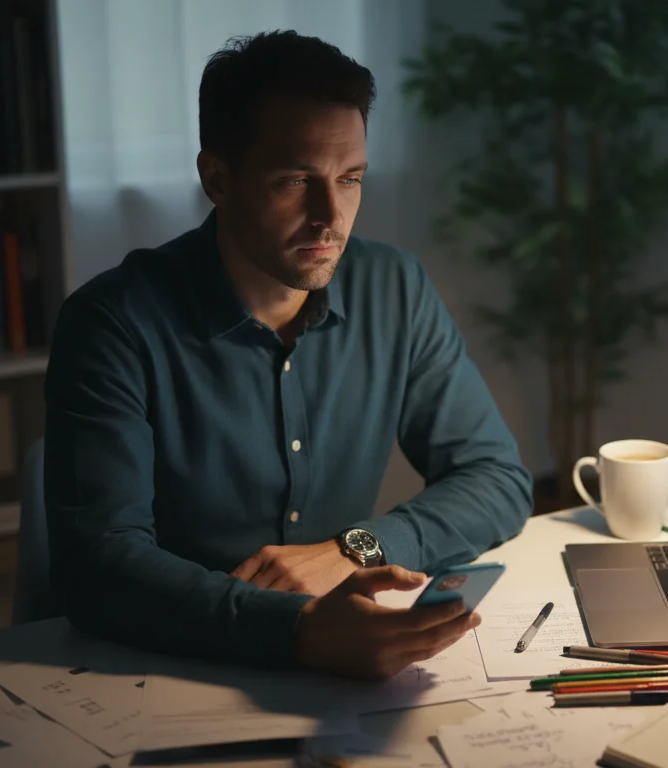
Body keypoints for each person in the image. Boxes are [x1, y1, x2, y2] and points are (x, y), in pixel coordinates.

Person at [43, 30, 532, 681]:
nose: (331, 215)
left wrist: (355, 550)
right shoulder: (112, 324)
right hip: (164, 666)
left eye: (350, 178)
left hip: (343, 661)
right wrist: (296, 630)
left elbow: (497, 480)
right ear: (218, 177)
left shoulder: (395, 289)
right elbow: (98, 567)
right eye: (295, 181)